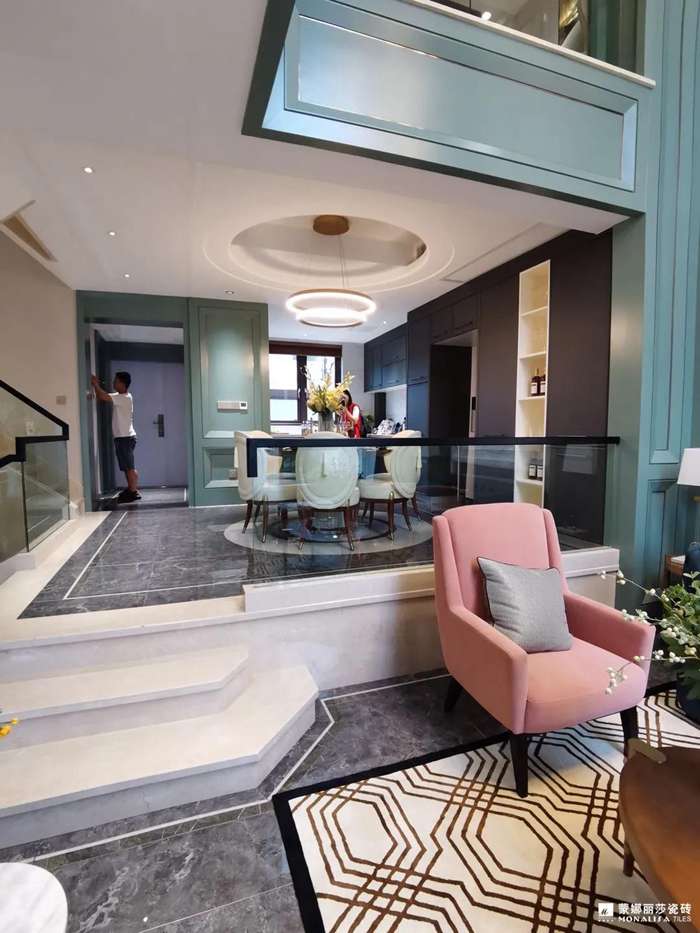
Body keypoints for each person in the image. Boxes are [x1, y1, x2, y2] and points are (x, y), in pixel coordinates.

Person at [91, 371, 141, 503]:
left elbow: (103, 396)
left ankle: (134, 492)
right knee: (126, 466)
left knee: (129, 466)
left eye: (116, 381)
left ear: (123, 384)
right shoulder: (120, 396)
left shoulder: (125, 398)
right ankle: (131, 489)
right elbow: (102, 396)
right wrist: (96, 389)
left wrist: (95, 384)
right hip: (122, 437)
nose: (113, 383)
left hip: (125, 438)